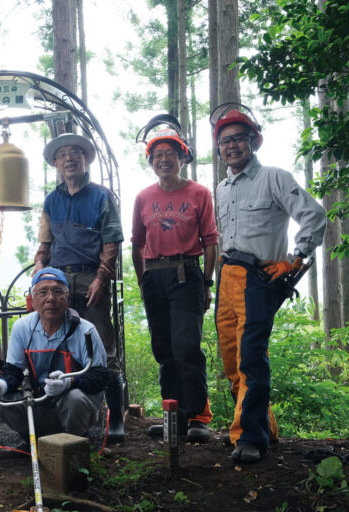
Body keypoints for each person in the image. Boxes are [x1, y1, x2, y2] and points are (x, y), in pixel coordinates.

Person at [211, 103, 326, 463]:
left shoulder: (274, 177)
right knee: (231, 359)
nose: (232, 146)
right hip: (226, 277)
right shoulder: (222, 188)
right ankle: (262, 426)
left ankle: (249, 438)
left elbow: (314, 215)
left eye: (239, 138)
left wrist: (296, 258)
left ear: (253, 141)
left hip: (257, 279)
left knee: (251, 358)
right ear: (219, 148)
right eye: (225, 141)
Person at [34, 133, 126, 443]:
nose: (69, 159)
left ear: (85, 159)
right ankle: (66, 412)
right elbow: (45, 245)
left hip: (91, 277)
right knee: (59, 343)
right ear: (56, 164)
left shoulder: (101, 195)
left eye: (75, 153)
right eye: (62, 155)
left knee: (102, 345)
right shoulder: (52, 200)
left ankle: (115, 418)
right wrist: (39, 270)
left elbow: (111, 242)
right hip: (58, 280)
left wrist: (101, 277)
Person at [131, 119, 218, 442]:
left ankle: (197, 417)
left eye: (170, 154)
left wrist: (206, 282)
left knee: (186, 347)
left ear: (182, 158)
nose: (164, 160)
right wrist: (142, 282)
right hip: (154, 275)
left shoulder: (199, 193)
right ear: (151, 162)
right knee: (163, 348)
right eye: (158, 156)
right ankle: (174, 416)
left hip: (186, 273)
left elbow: (210, 241)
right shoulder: (143, 197)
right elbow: (136, 244)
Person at [0, 267, 109, 446]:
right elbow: (14, 371)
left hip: (71, 404)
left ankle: (74, 444)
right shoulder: (22, 328)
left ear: (68, 298)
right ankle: (31, 439)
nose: (51, 298)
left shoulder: (85, 330)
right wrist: (2, 385)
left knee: (74, 399)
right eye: (42, 292)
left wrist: (69, 383)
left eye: (58, 291)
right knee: (0, 400)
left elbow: (101, 377)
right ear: (32, 300)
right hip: (39, 401)